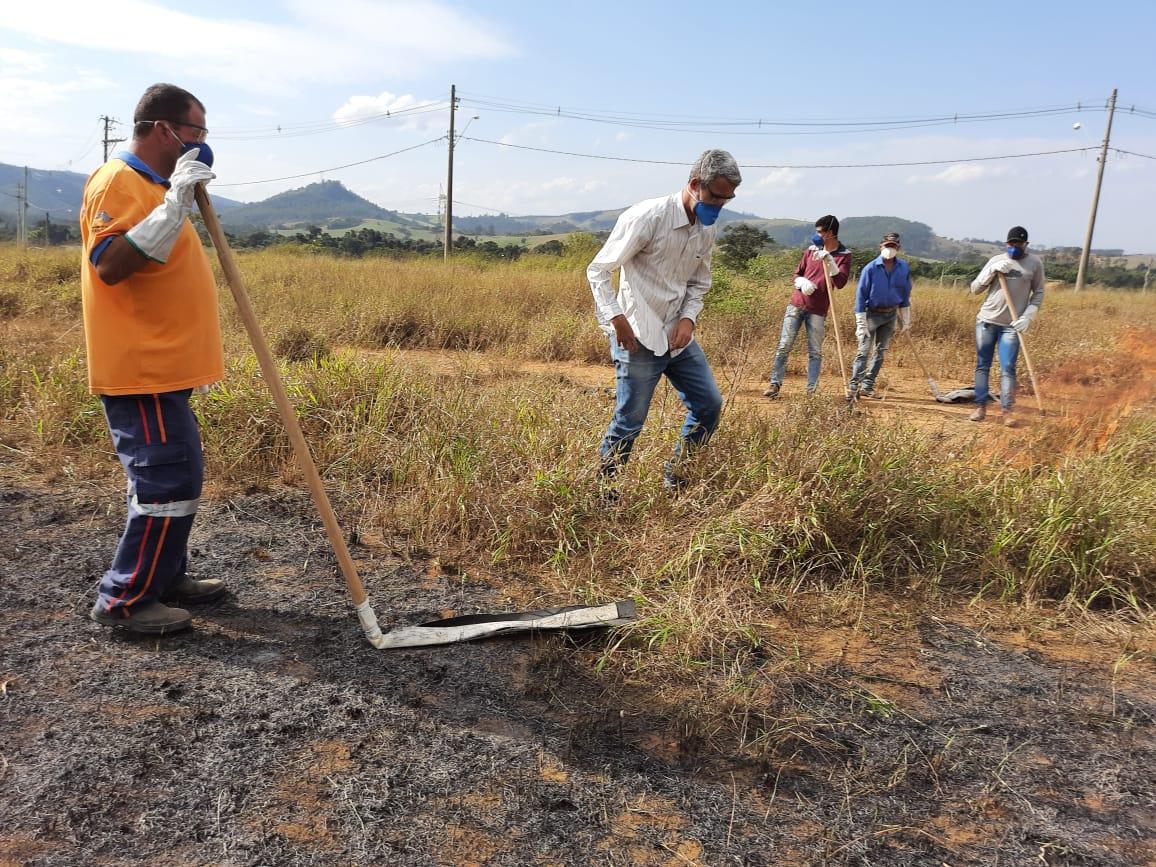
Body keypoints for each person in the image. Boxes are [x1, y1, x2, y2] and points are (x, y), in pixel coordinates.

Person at [80, 83, 225, 635]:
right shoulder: (118, 180)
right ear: (165, 129)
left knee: (169, 475)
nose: (202, 143)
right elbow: (111, 264)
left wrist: (175, 198)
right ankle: (125, 600)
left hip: (166, 366)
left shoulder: (156, 184)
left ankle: (163, 576)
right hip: (141, 368)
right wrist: (172, 206)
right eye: (197, 132)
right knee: (169, 479)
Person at [588, 149, 741, 492]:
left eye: (727, 199)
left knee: (709, 405)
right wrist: (616, 319)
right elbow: (598, 271)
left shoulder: (706, 229)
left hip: (677, 336)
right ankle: (604, 493)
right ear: (693, 185)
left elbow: (699, 281)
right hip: (638, 334)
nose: (719, 206)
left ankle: (678, 480)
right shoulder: (647, 217)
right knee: (630, 421)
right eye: (715, 197)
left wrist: (688, 319)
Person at [763, 215, 852, 398]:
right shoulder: (811, 250)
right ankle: (774, 384)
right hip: (796, 304)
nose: (817, 235)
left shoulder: (844, 255)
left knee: (815, 352)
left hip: (818, 309)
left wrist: (830, 262)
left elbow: (841, 282)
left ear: (830, 233)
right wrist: (801, 282)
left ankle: (811, 391)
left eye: (820, 232)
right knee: (784, 345)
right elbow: (796, 274)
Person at [967, 225, 1045, 427]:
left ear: (1026, 244)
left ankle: (1007, 410)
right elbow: (975, 289)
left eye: (1018, 243)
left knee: (1008, 368)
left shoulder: (1034, 263)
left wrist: (1028, 316)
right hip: (987, 321)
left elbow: (1038, 293)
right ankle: (980, 407)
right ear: (1006, 243)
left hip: (1012, 325)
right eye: (1011, 243)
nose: (1014, 247)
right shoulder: (996, 261)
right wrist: (991, 272)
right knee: (982, 365)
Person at [848, 232, 912, 399]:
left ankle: (867, 386)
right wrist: (860, 322)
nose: (890, 249)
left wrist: (906, 318)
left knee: (880, 352)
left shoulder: (903, 267)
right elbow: (861, 295)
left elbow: (905, 293)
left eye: (894, 246)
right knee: (863, 352)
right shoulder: (870, 268)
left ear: (898, 247)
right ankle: (854, 387)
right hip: (871, 314)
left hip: (890, 315)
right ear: (881, 246)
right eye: (887, 246)